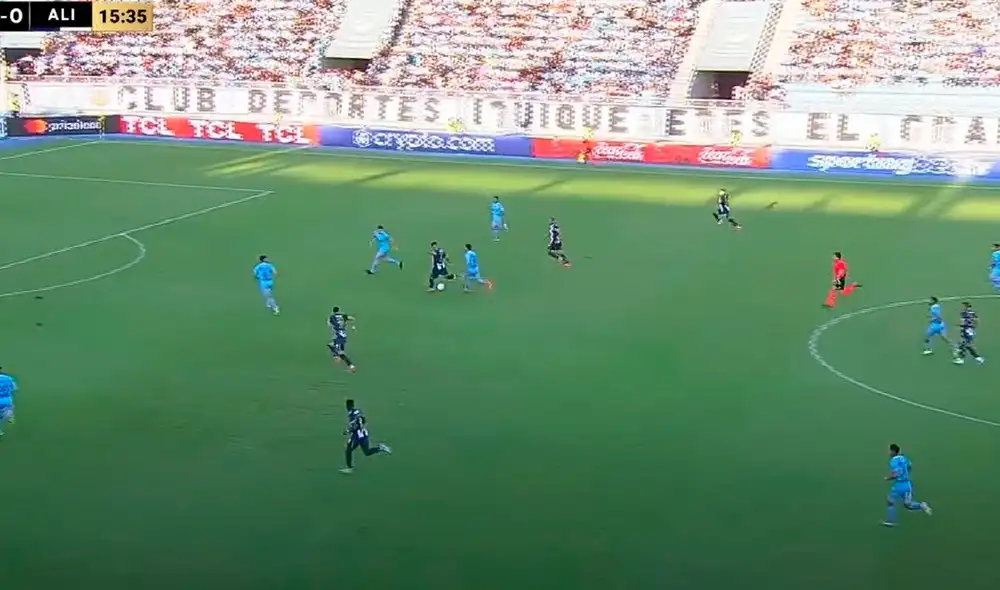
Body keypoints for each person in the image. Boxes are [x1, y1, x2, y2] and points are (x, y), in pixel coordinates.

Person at [883, 443, 932, 527]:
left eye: (890, 451)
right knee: (908, 505)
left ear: (893, 451)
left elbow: (896, 473)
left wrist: (888, 477)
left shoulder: (894, 461)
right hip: (907, 484)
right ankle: (922, 506)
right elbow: (910, 466)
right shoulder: (904, 458)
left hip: (899, 485)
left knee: (890, 501)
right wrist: (905, 473)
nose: (889, 453)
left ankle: (891, 521)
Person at [340, 399, 391, 474]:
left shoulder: (351, 414)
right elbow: (364, 420)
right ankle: (380, 448)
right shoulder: (358, 411)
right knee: (366, 452)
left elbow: (356, 426)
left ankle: (349, 468)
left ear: (347, 406)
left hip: (358, 436)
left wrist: (348, 431)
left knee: (349, 450)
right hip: (363, 433)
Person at [327, 307, 356, 372]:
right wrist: (350, 324)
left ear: (333, 311)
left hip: (339, 336)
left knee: (340, 353)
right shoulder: (343, 315)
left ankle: (351, 366)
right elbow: (352, 318)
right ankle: (336, 356)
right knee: (331, 345)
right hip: (342, 335)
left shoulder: (332, 317)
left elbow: (329, 324)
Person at [0, 366, 17, 439]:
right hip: (7, 400)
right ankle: (9, 416)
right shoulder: (8, 378)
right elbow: (14, 388)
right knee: (8, 410)